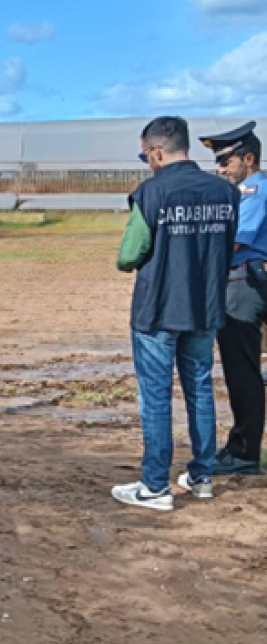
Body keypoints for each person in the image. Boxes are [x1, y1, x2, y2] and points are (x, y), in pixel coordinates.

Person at [114, 116, 240, 511]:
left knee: (155, 397)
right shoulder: (226, 191)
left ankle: (155, 486)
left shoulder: (151, 194)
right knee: (200, 389)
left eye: (144, 155)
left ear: (155, 152)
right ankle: (201, 476)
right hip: (205, 308)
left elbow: (128, 255)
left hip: (158, 311)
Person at [200, 122, 267, 476]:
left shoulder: (252, 190)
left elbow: (235, 242)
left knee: (242, 372)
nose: (221, 170)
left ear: (249, 158)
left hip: (242, 283)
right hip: (248, 279)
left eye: (227, 162)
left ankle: (243, 452)